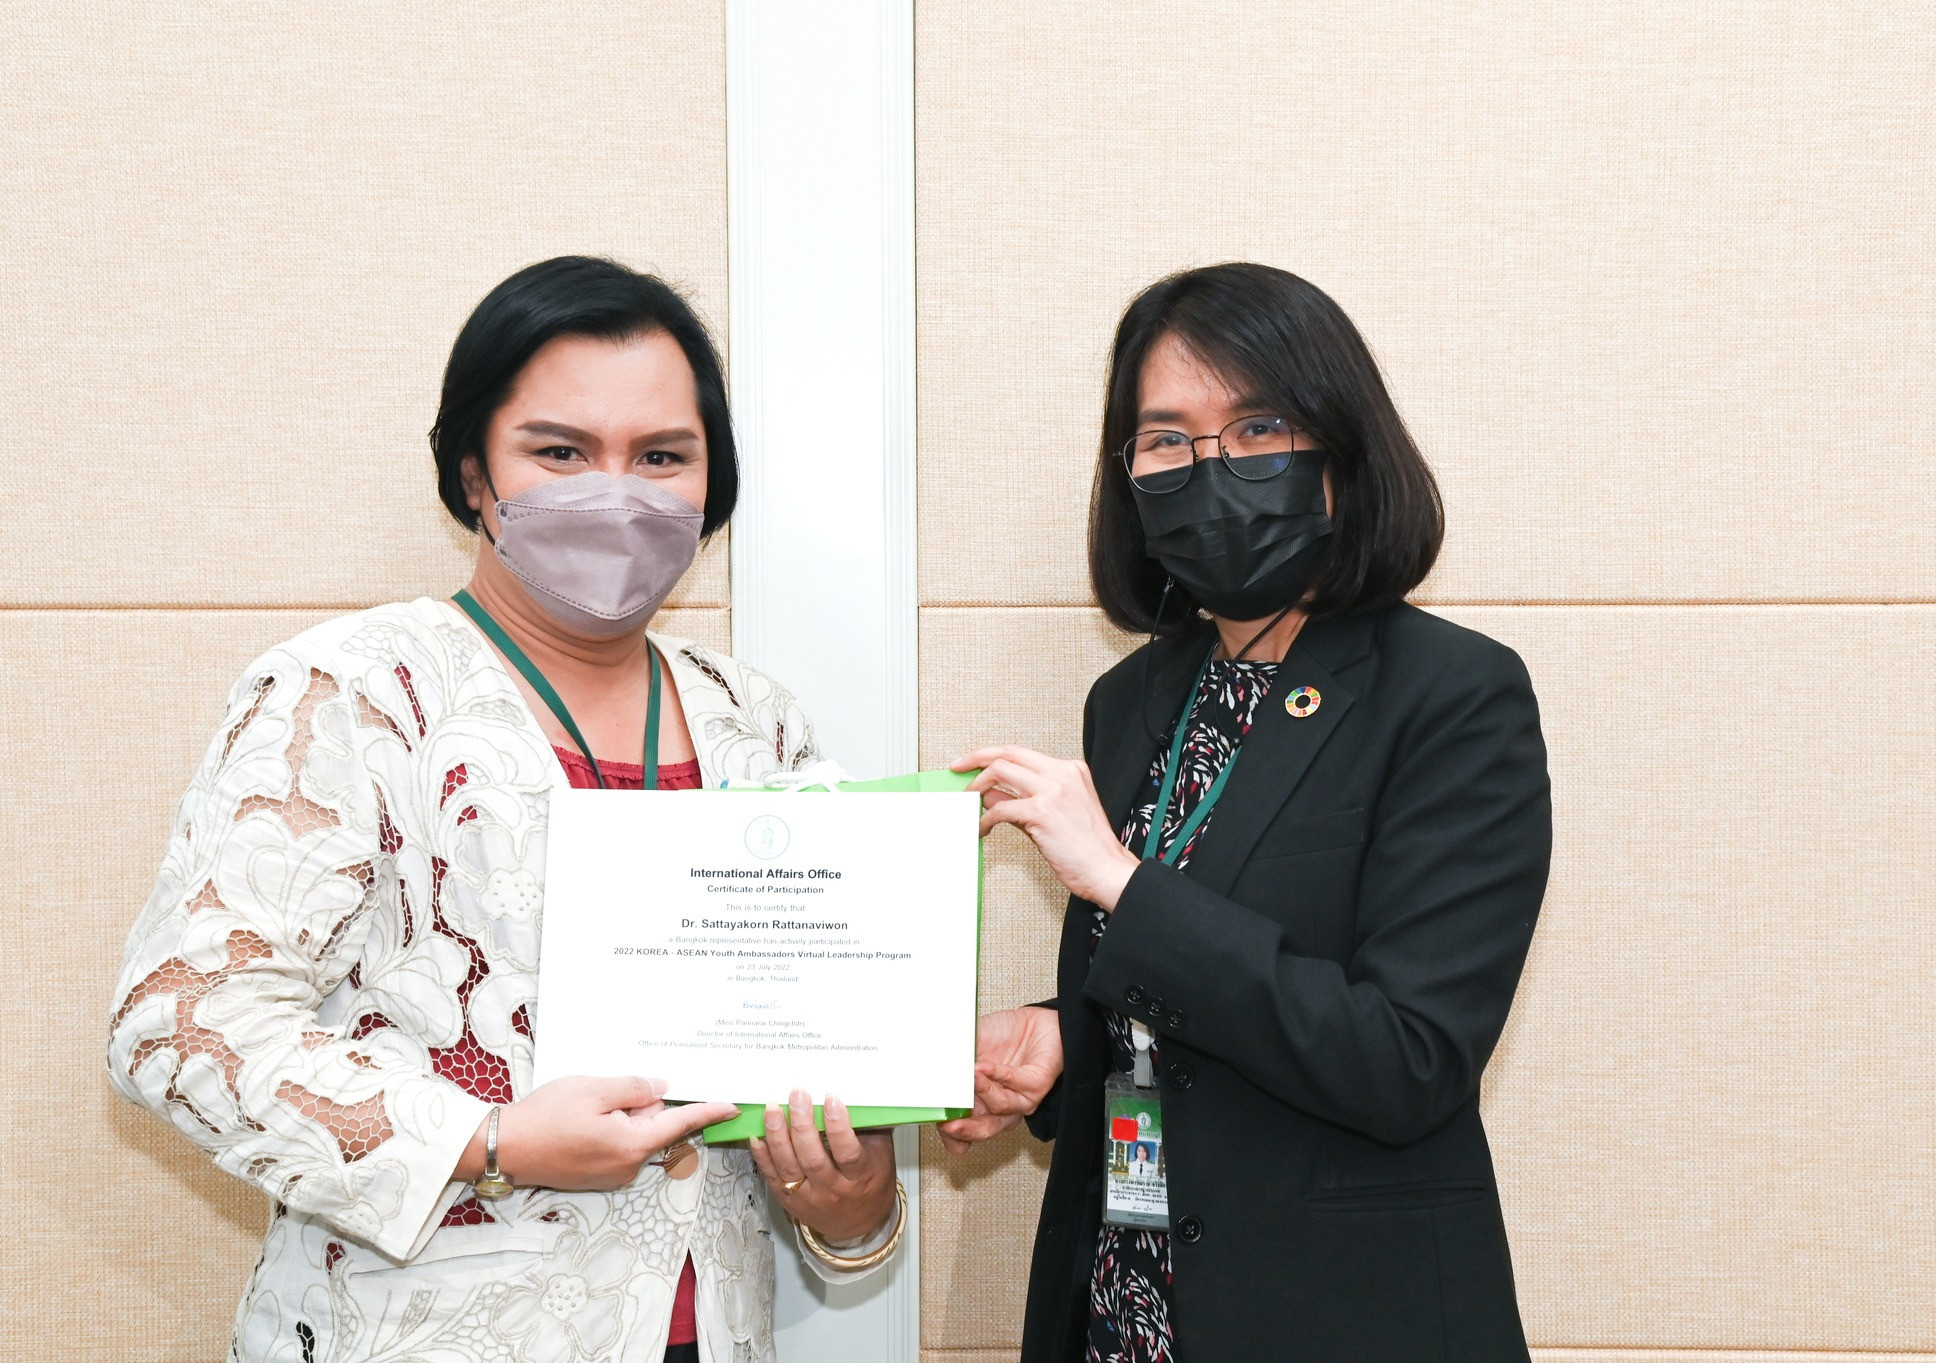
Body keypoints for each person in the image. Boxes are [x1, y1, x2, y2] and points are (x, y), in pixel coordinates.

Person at [108, 257, 904, 1363]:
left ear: (710, 484)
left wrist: (849, 1197)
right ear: (474, 471)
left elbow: (811, 1056)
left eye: (661, 456)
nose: (615, 492)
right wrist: (491, 1140)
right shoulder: (353, 693)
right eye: (560, 451)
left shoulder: (756, 723)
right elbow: (179, 1019)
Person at [939, 263, 1551, 1361]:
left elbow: (1406, 1059)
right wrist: (1065, 1038)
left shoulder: (1453, 694)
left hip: (1339, 1315)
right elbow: (1184, 990)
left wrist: (1118, 880)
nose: (1210, 465)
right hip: (1124, 1301)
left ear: (1344, 451)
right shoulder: (1131, 699)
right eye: (1165, 438)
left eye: (1258, 426)